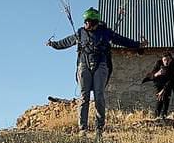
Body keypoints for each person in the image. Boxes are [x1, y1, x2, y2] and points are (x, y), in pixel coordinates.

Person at [47, 7, 148, 136]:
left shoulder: (105, 33)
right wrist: (53, 44)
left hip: (101, 65)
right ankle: (83, 129)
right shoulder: (80, 32)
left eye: (88, 21)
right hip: (84, 65)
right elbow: (67, 42)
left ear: (94, 22)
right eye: (85, 21)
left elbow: (122, 40)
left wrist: (138, 44)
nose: (85, 23)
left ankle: (99, 127)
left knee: (99, 96)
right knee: (84, 96)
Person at [142, 53, 174, 119]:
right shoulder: (158, 64)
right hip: (158, 83)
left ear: (171, 60)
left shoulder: (173, 66)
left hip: (168, 84)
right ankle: (156, 117)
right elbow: (151, 75)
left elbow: (171, 80)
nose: (166, 62)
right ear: (162, 60)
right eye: (165, 60)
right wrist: (157, 74)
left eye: (168, 60)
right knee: (159, 100)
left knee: (166, 100)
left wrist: (163, 91)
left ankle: (164, 117)